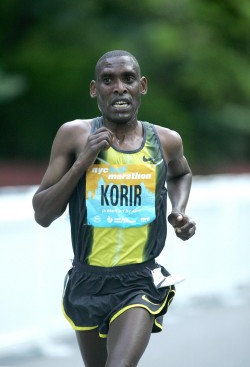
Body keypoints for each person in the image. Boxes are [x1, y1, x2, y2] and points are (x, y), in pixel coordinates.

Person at [32, 50, 196, 367]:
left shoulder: (165, 140)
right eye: (108, 80)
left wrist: (179, 210)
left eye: (128, 79)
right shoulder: (75, 136)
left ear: (142, 86)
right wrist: (83, 162)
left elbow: (181, 173)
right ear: (95, 89)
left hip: (139, 281)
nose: (119, 87)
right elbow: (42, 214)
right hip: (87, 280)